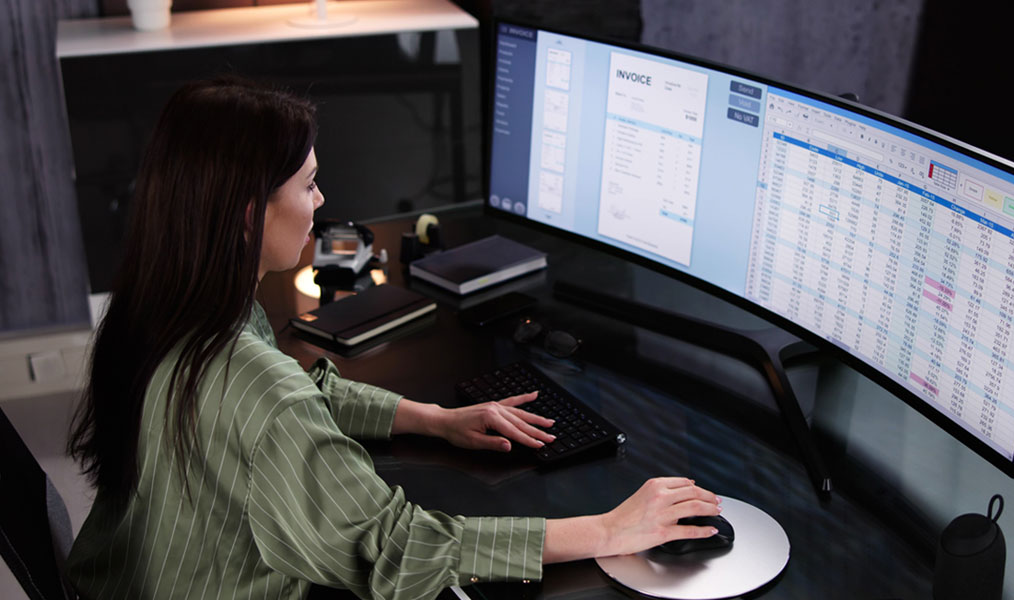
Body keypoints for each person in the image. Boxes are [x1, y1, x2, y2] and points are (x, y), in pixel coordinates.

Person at [66, 78, 721, 600]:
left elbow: (297, 392)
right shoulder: (256, 383)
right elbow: (396, 552)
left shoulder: (171, 306)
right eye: (308, 183)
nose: (321, 201)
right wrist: (608, 528)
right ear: (247, 214)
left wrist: (433, 420)